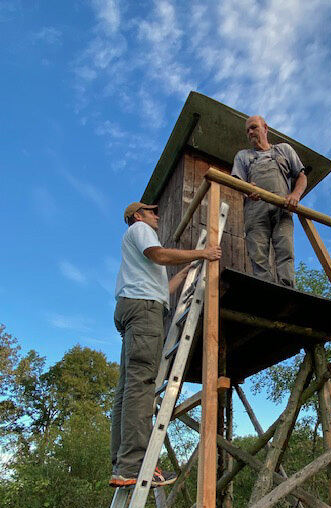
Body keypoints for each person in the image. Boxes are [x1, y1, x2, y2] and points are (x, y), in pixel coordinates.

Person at [110, 202, 221, 488]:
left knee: (128, 386)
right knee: (141, 384)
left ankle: (122, 462)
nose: (157, 215)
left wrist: (183, 274)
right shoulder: (140, 229)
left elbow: (161, 290)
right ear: (138, 216)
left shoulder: (136, 252)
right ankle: (133, 466)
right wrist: (203, 253)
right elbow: (158, 254)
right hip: (143, 311)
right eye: (151, 211)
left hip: (135, 307)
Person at [231, 115, 307, 288]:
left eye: (254, 127)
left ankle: (287, 291)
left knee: (285, 250)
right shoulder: (243, 156)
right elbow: (237, 182)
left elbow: (301, 176)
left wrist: (295, 195)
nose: (250, 132)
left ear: (265, 128)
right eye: (247, 130)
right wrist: (247, 189)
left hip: (282, 207)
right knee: (257, 254)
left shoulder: (283, 150)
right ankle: (266, 292)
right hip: (255, 211)